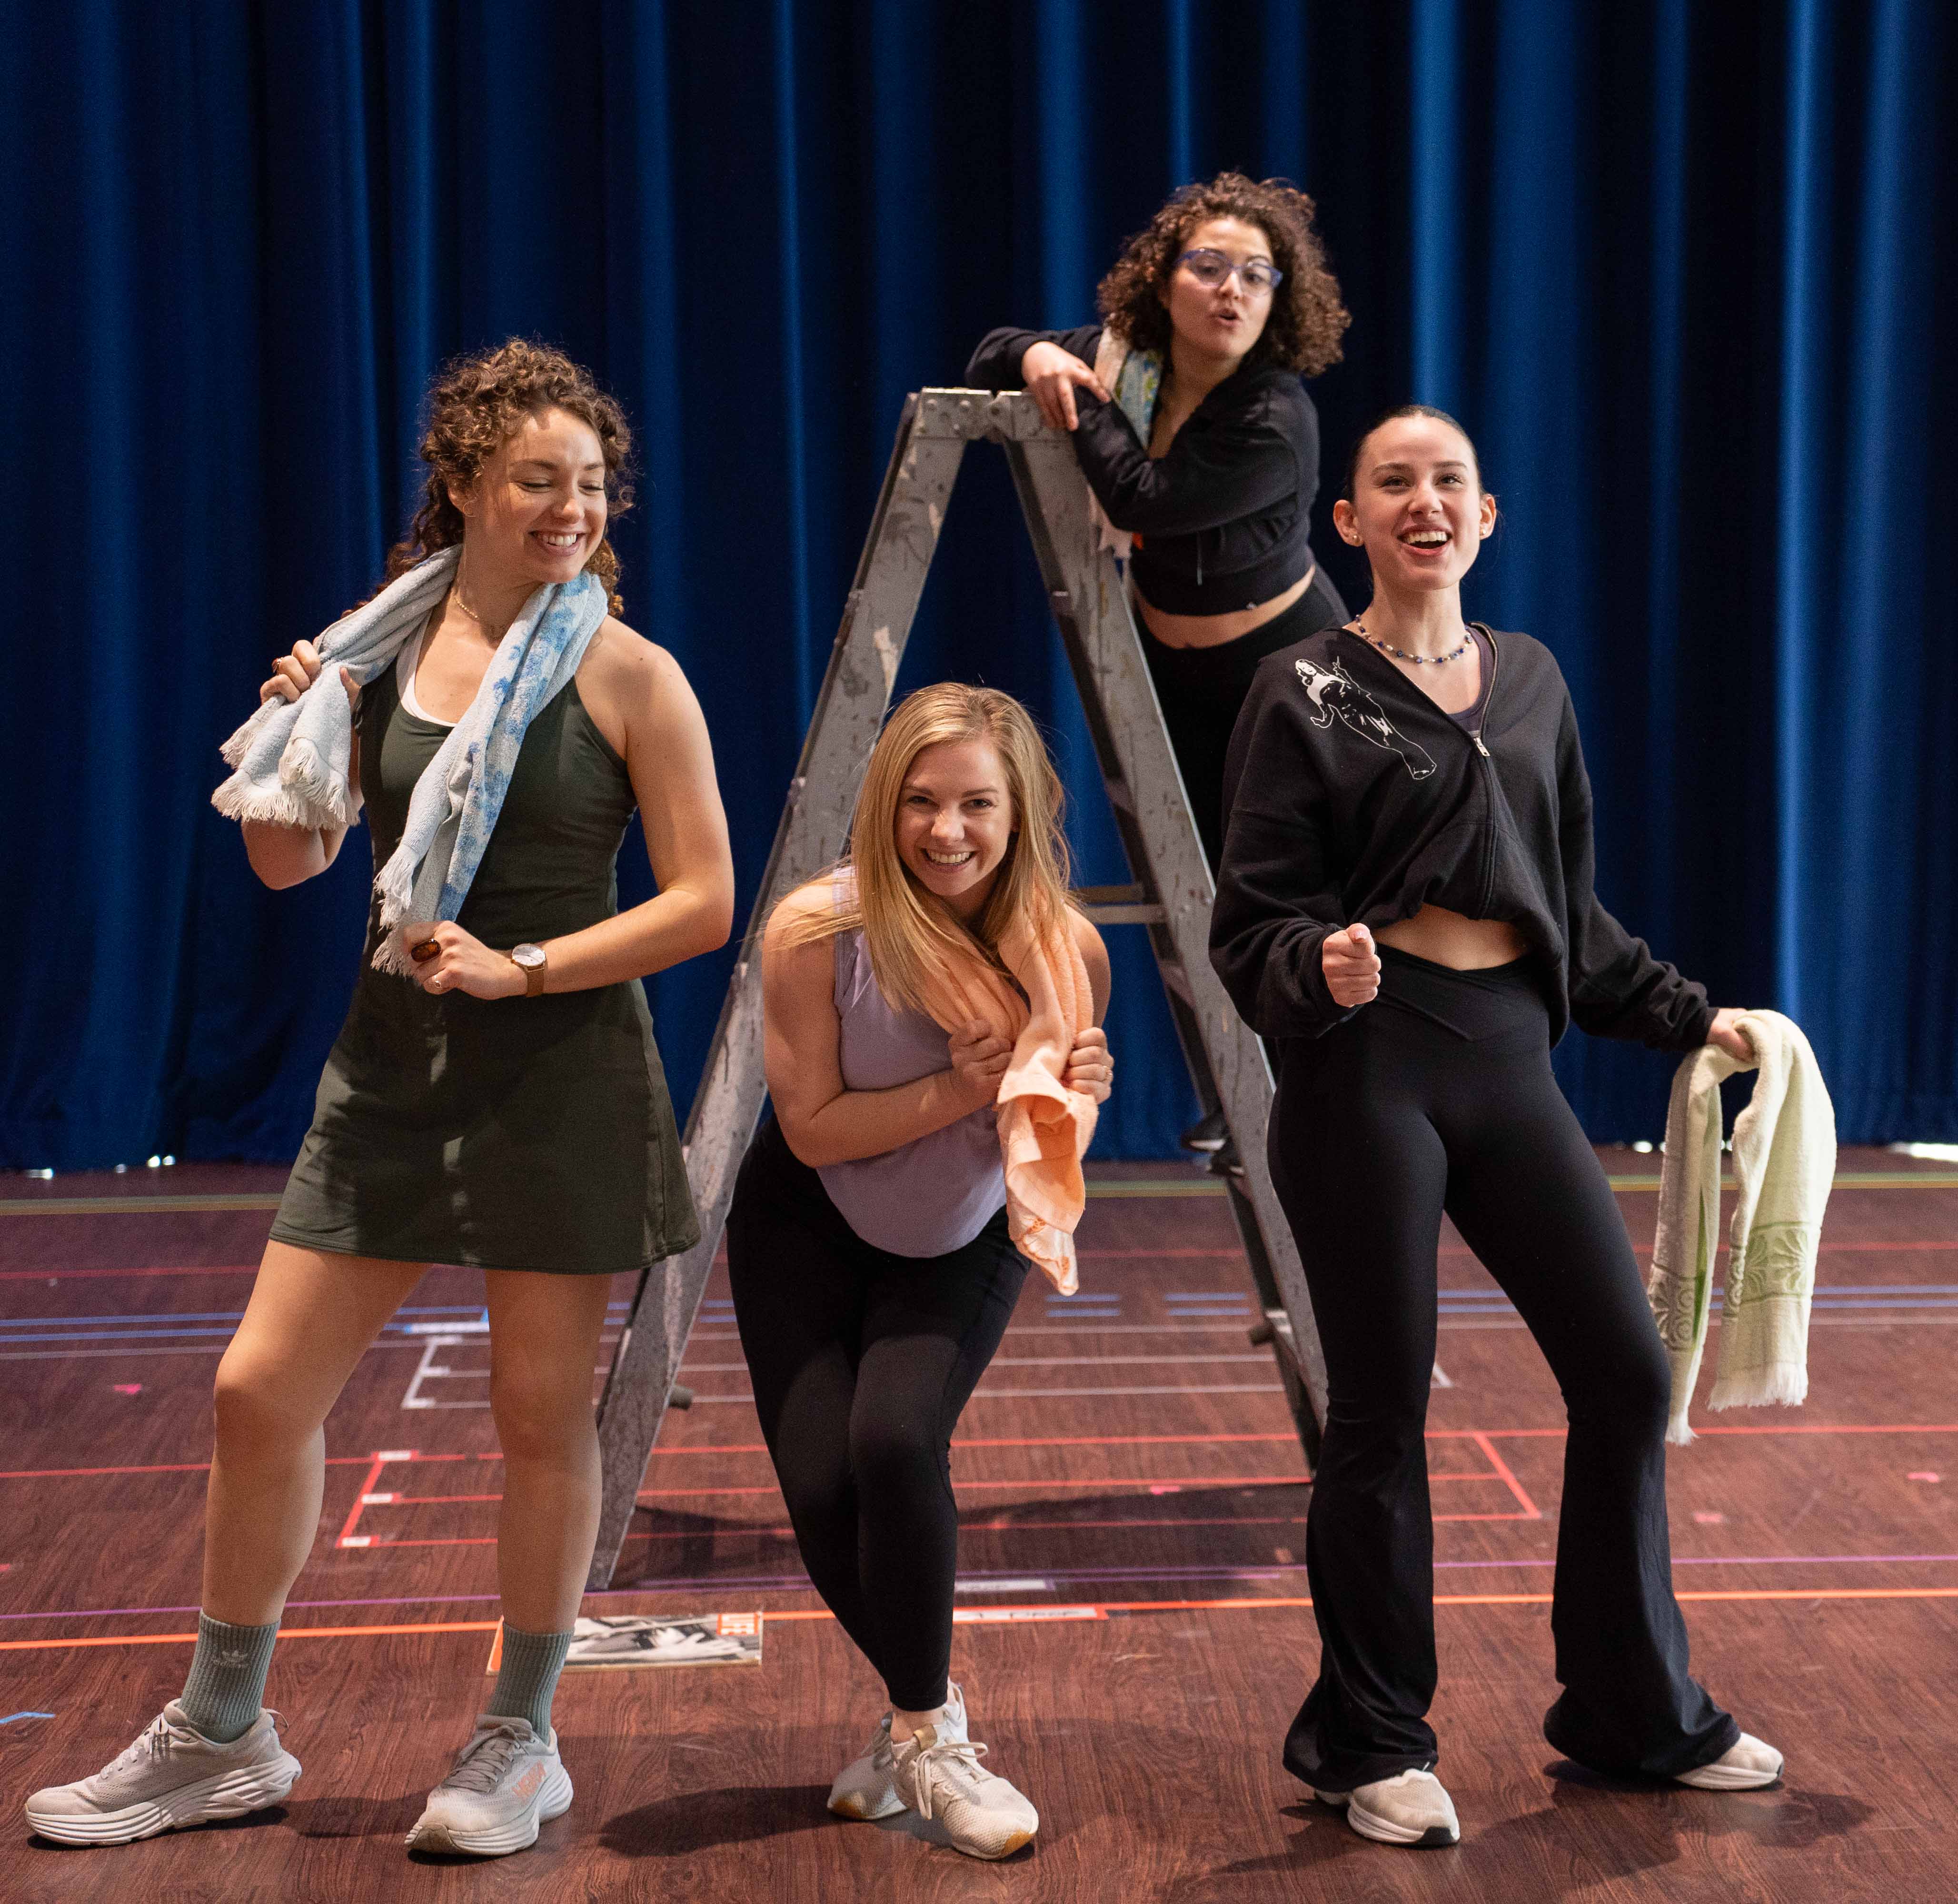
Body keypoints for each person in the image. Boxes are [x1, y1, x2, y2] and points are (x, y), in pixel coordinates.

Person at [26, 340, 734, 1855]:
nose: (571, 509)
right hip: (392, 1066)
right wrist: (306, 726)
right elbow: (291, 865)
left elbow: (704, 902)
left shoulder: (628, 672)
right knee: (254, 1390)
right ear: (467, 487)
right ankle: (224, 1730)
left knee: (541, 1421)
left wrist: (523, 964)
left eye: (592, 485)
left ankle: (517, 1741)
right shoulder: (379, 657)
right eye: (539, 480)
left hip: (559, 1066)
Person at [1209, 406, 1785, 1848]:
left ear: (1485, 518)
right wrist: (1314, 967)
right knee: (1383, 1416)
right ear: (1348, 523)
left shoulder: (1529, 680)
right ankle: (1371, 1741)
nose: (1423, 502)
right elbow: (1250, 924)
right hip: (1367, 1070)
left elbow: (1570, 912)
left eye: (1448, 482)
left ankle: (1630, 1713)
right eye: (1392, 483)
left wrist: (1686, 1014)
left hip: (1510, 1059)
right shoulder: (1303, 686)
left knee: (1627, 1372)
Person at [727, 683, 1113, 1860]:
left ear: (1025, 812)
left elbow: (1050, 1125)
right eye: (922, 801)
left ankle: (926, 1738)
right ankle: (927, 1720)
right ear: (884, 804)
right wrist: (965, 1081)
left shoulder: (1068, 946)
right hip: (805, 1219)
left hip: (962, 1229)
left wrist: (1067, 1092)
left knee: (894, 1443)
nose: (948, 830)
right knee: (820, 1489)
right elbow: (816, 1126)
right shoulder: (809, 932)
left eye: (978, 804)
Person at [966, 171, 1351, 874]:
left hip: (1285, 677)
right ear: (1163, 281)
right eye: (1208, 267)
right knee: (1200, 888)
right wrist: (1036, 354)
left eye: (1256, 276)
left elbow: (1143, 501)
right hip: (1172, 671)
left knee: (1290, 889)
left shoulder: (1276, 419)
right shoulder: (1131, 369)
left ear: (1278, 301)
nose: (1231, 289)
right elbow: (987, 356)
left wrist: (1077, 392)